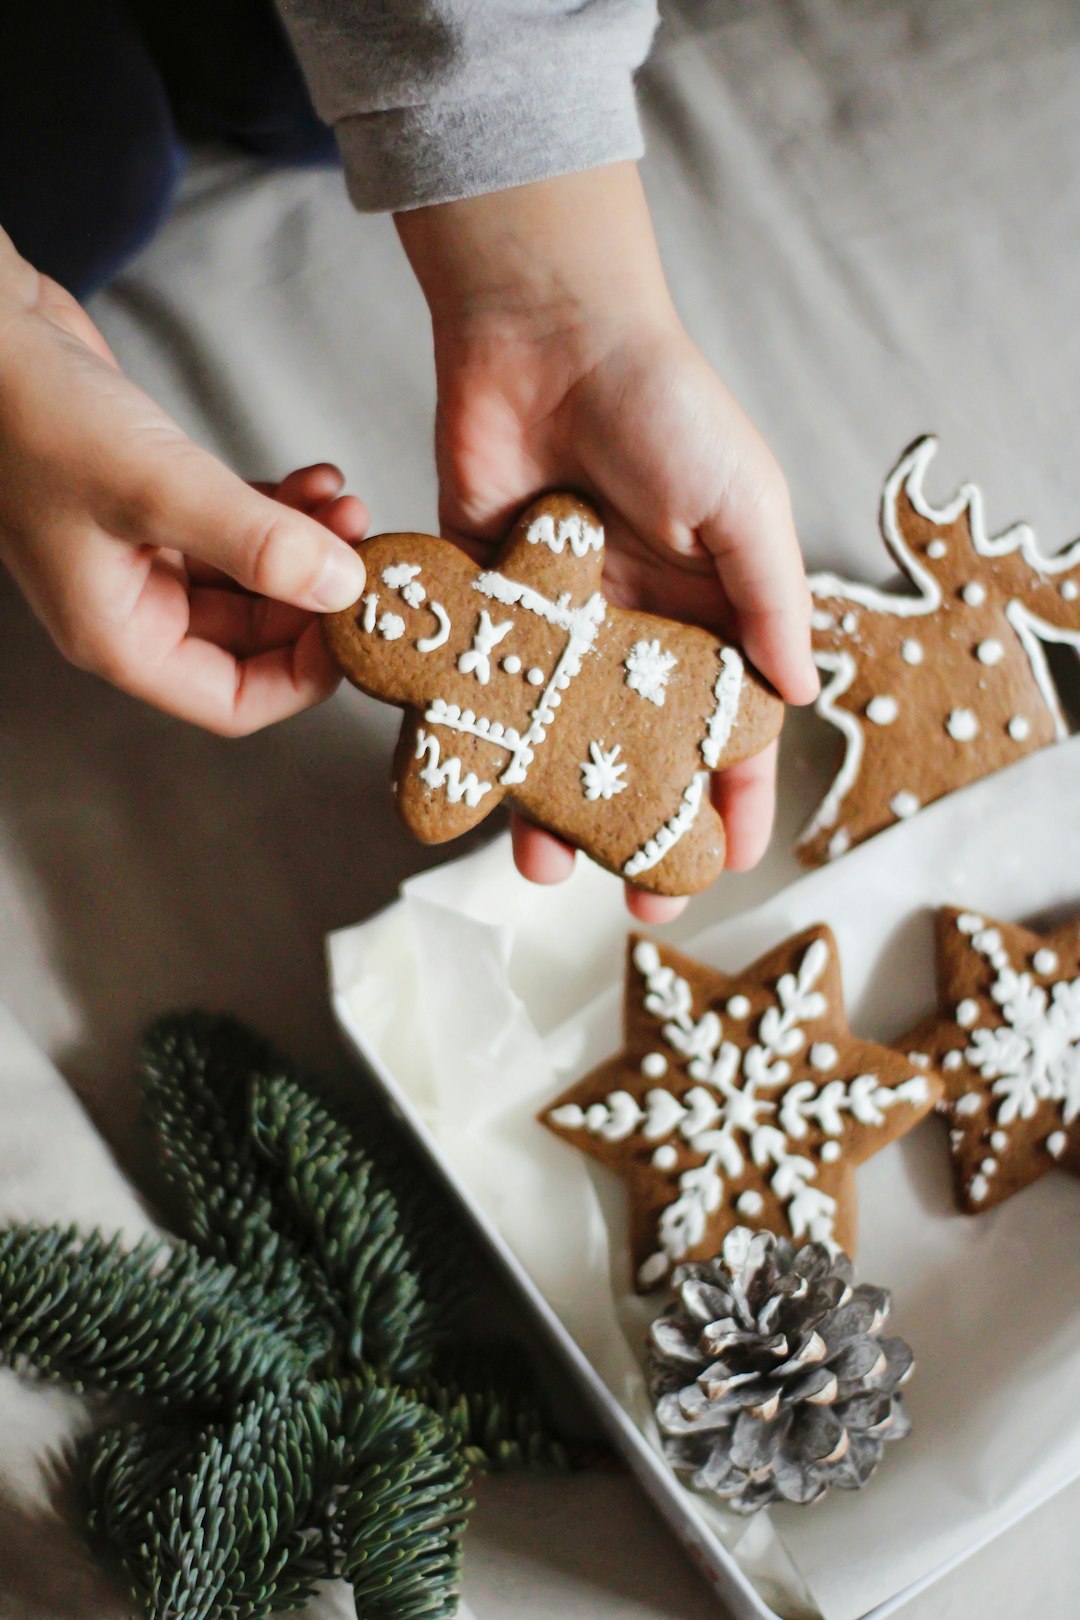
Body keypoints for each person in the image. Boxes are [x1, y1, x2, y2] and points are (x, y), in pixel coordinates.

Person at [0, 0, 817, 921]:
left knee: (303, 99)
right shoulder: (475, 708)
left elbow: (561, 538)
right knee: (94, 171)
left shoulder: (540, 593)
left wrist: (554, 285)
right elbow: (457, 761)